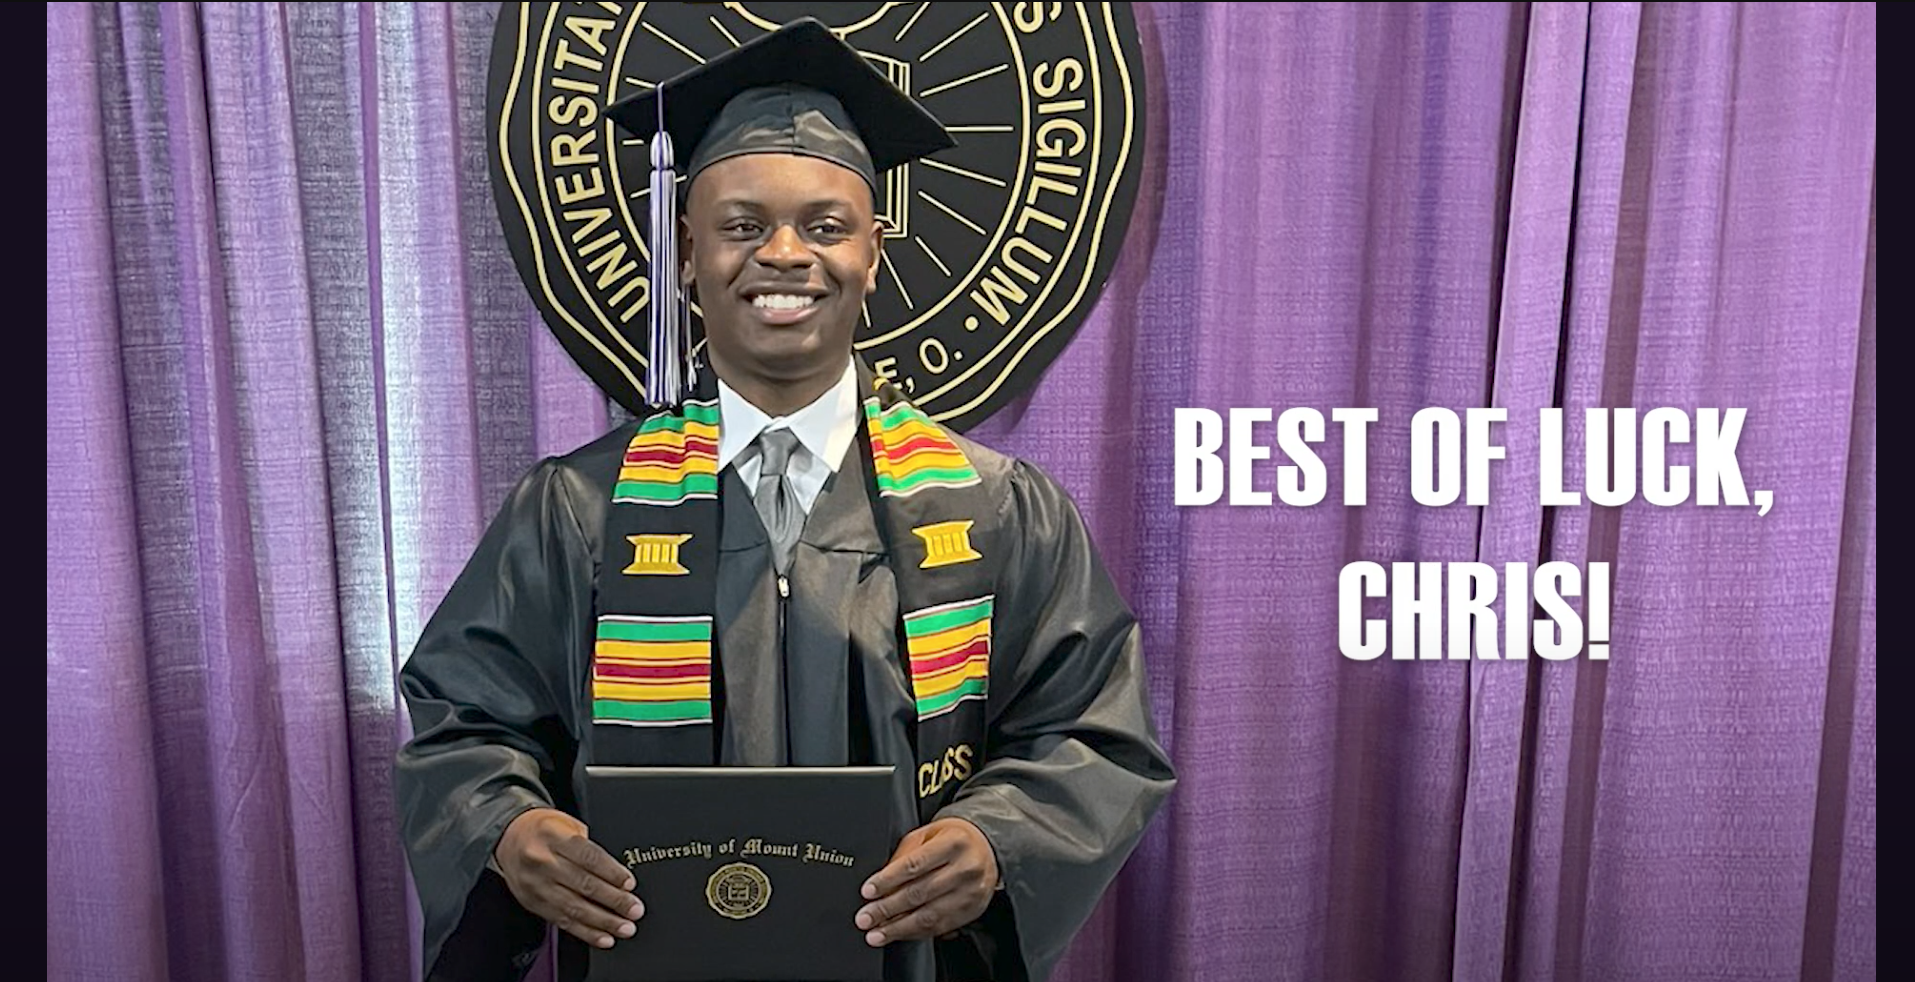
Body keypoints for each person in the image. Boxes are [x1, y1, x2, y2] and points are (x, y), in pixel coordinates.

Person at [395, 18, 1173, 982]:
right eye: (740, 225)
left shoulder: (995, 511)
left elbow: (1091, 727)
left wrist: (998, 840)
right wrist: (510, 829)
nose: (784, 254)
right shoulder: (577, 510)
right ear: (687, 256)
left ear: (872, 255)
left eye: (825, 225)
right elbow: (467, 724)